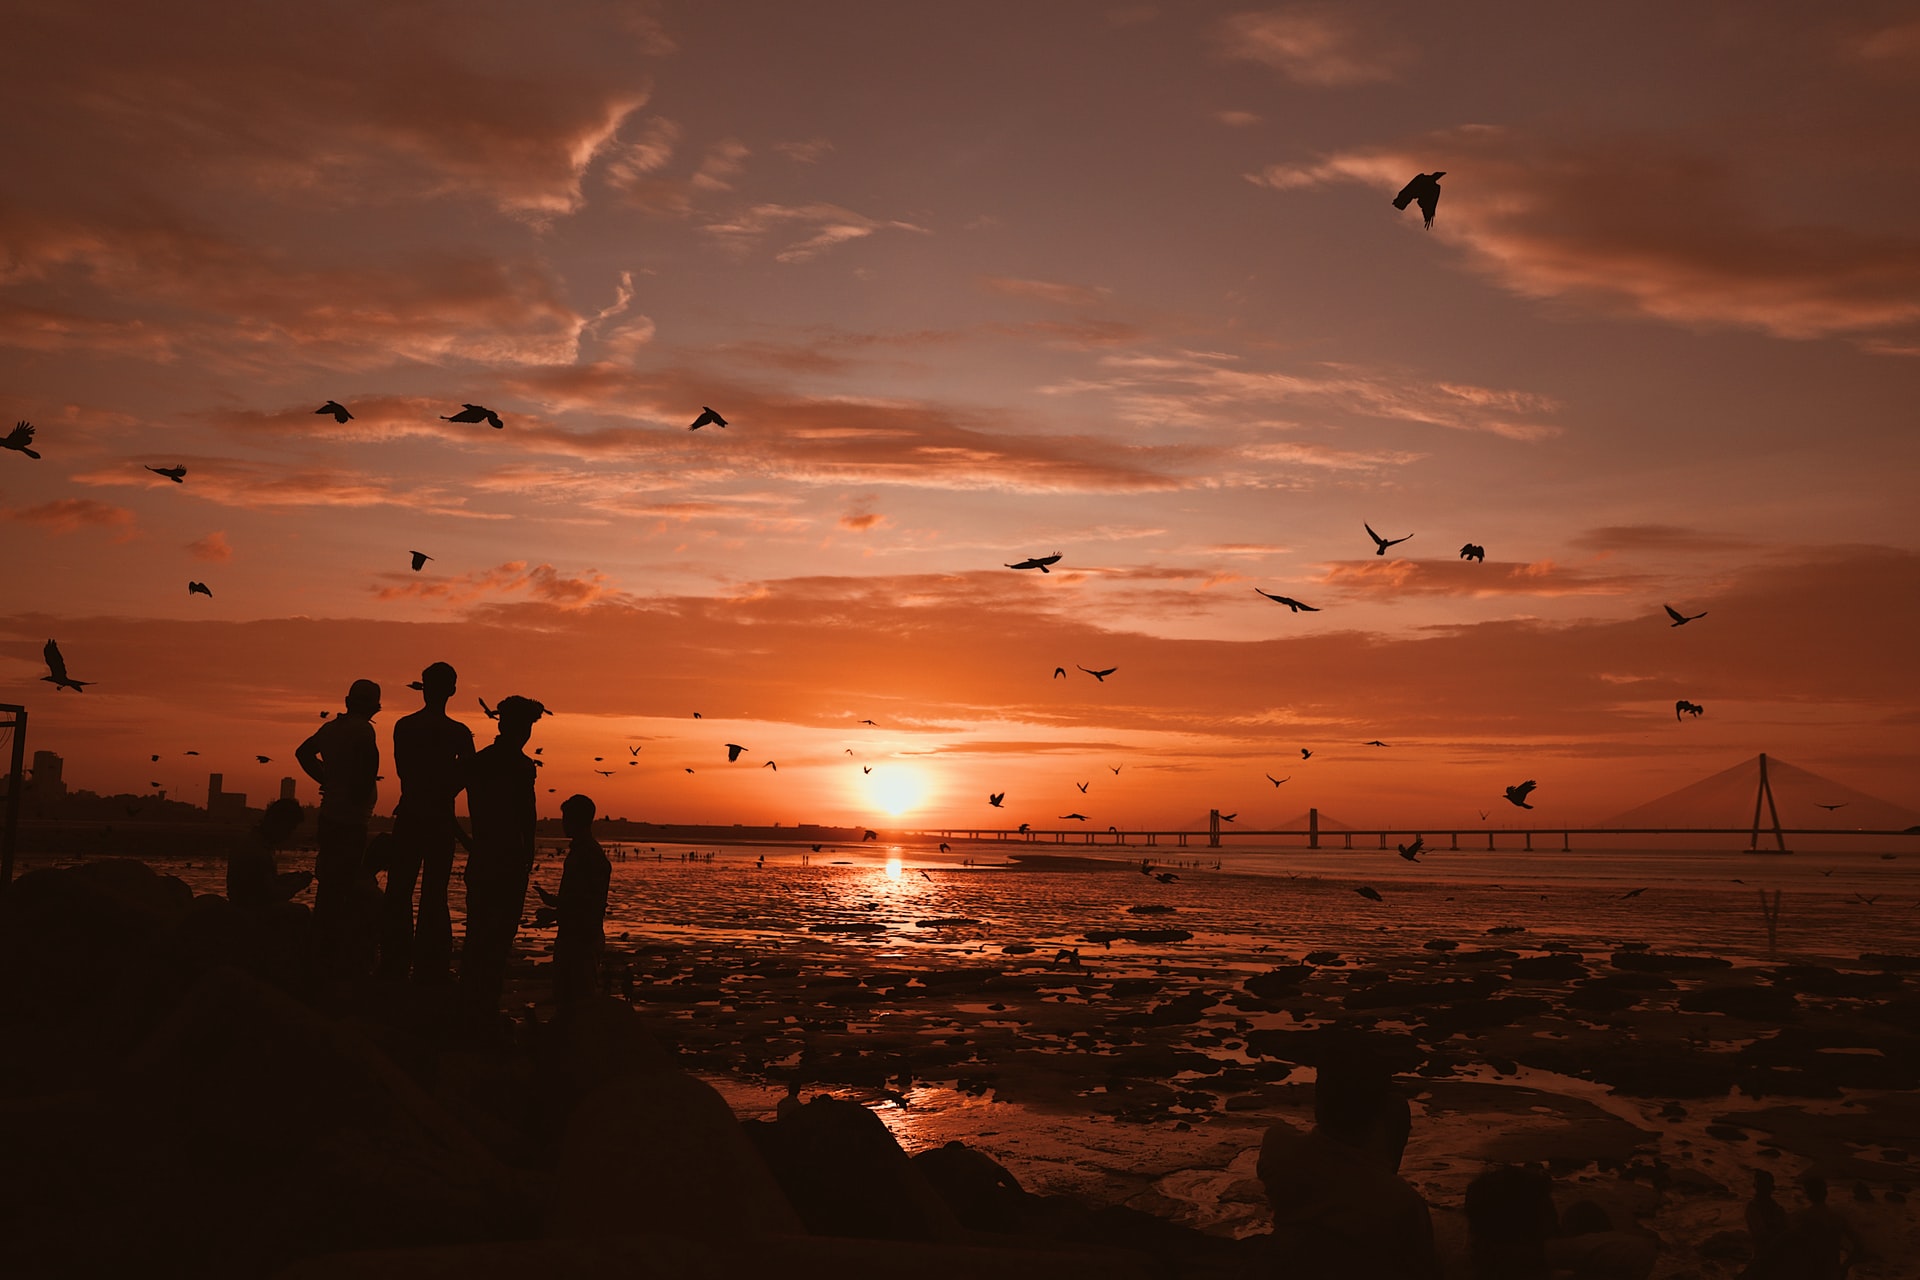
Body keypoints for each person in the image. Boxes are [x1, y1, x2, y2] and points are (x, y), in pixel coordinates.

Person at [1255, 1035, 1441, 1279]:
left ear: (1319, 1100)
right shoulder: (1402, 1203)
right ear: (1377, 1113)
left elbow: (1286, 1132)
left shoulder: (1278, 1151)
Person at [381, 661, 474, 982]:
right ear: (452, 690)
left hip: (410, 813)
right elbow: (469, 777)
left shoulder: (404, 727)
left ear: (423, 687)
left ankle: (394, 959)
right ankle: (428, 964)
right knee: (434, 893)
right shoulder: (458, 733)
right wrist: (445, 795)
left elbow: (404, 772)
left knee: (399, 890)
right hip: (438, 820)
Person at [458, 693, 544, 1018]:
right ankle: (479, 1007)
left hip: (495, 857)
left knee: (484, 935)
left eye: (529, 726)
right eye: (523, 725)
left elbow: (528, 816)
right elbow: (527, 816)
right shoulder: (509, 765)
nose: (526, 732)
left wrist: (469, 842)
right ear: (506, 724)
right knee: (490, 936)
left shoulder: (485, 762)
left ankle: (477, 1005)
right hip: (501, 858)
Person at [295, 679, 380, 961]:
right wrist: (355, 796)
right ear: (374, 706)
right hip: (351, 820)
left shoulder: (331, 728)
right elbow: (368, 772)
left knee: (329, 883)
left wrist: (326, 778)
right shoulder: (364, 731)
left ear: (347, 701)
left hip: (330, 814)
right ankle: (332, 949)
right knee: (344, 885)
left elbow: (303, 753)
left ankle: (319, 943)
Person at [552, 792, 610, 1004]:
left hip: (581, 938)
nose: (563, 823)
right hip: (574, 934)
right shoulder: (581, 851)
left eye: (566, 818)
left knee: (577, 999)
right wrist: (555, 903)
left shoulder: (589, 854)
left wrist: (557, 912)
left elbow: (589, 902)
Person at [226, 797, 313, 910]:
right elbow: (271, 895)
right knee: (301, 911)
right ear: (280, 824)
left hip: (243, 906)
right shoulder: (257, 850)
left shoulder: (255, 842)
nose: (289, 835)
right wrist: (297, 885)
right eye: (290, 829)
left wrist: (287, 879)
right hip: (250, 912)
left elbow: (264, 882)